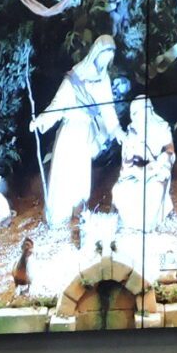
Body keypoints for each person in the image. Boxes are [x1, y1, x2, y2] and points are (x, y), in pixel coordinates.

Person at [31, 34, 124, 233]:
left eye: (110, 58)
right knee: (64, 173)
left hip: (85, 134)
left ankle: (78, 214)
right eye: (104, 56)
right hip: (70, 131)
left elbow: (108, 109)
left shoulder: (103, 79)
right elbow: (57, 105)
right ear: (96, 53)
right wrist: (42, 120)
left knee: (80, 176)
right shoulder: (74, 78)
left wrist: (116, 130)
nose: (106, 62)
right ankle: (58, 218)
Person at [112, 95, 175, 234]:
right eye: (135, 114)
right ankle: (131, 224)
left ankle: (148, 226)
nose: (138, 117)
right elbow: (127, 159)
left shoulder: (162, 127)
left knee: (155, 189)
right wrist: (131, 164)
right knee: (120, 189)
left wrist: (160, 161)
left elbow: (169, 150)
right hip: (134, 172)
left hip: (156, 171)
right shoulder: (132, 131)